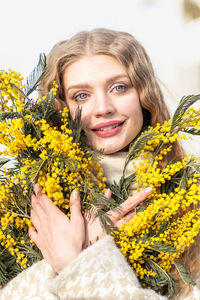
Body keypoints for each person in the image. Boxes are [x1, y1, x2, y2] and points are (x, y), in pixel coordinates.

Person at [0, 28, 200, 300]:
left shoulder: (192, 201)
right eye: (81, 95)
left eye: (119, 87)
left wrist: (77, 263)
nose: (103, 107)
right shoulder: (23, 208)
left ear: (143, 95)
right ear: (60, 107)